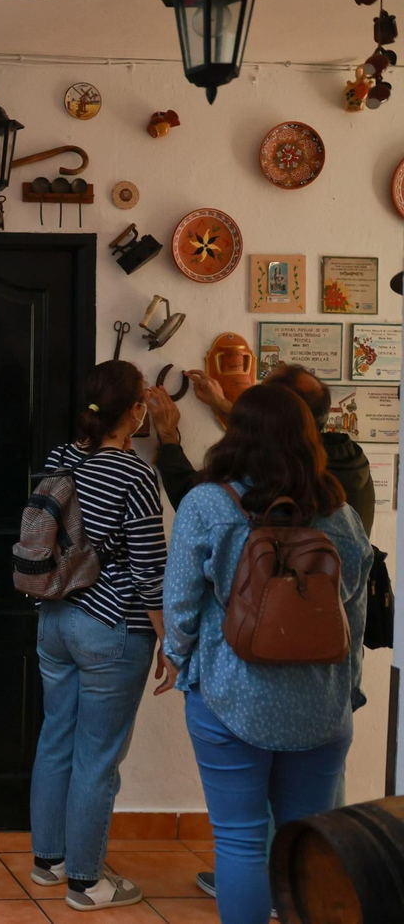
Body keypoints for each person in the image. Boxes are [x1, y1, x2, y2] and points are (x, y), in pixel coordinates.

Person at [163, 384, 370, 924]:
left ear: (235, 435)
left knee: (240, 842)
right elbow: (354, 607)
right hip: (321, 704)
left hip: (231, 696)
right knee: (309, 843)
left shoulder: (208, 503)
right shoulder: (337, 511)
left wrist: (178, 659)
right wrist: (349, 688)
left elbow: (181, 601)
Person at [30, 360, 175, 912]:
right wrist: (170, 643)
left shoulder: (62, 458)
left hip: (55, 619)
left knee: (56, 739)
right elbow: (148, 569)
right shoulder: (134, 473)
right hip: (111, 626)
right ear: (136, 410)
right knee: (97, 758)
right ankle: (87, 884)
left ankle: (51, 862)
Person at [148, 364, 374, 535]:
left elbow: (196, 503)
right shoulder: (350, 459)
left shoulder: (273, 468)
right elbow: (278, 430)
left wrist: (168, 439)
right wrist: (225, 406)